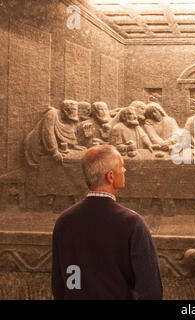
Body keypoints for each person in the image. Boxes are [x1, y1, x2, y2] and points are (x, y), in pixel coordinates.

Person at [51, 145, 163, 299]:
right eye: (122, 167)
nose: (124, 171)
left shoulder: (64, 222)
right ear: (110, 176)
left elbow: (59, 284)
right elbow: (150, 289)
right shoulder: (132, 223)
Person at [24, 100, 85, 167]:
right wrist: (55, 152)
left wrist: (73, 145)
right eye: (74, 109)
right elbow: (48, 134)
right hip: (38, 145)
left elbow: (70, 132)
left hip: (54, 147)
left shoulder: (68, 118)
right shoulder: (52, 114)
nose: (76, 112)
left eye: (77, 109)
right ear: (65, 110)